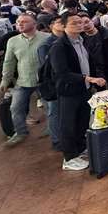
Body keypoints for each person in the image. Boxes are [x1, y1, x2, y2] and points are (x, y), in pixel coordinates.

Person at [49, 13, 106, 171]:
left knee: (82, 120)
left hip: (84, 88)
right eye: (74, 23)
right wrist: (88, 78)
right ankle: (69, 157)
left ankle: (80, 148)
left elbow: (89, 62)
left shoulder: (83, 41)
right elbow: (61, 72)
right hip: (69, 91)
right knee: (68, 124)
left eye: (81, 22)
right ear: (64, 25)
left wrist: (94, 78)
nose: (79, 25)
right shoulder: (59, 46)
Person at [0, 13, 49, 146]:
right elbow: (9, 62)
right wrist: (5, 80)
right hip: (23, 80)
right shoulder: (13, 41)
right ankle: (20, 132)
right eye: (18, 21)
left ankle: (51, 128)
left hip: (44, 80)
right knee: (16, 108)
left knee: (50, 107)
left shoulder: (47, 38)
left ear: (34, 24)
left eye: (24, 21)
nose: (20, 24)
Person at [37, 15, 65, 150]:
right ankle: (57, 140)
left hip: (67, 83)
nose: (63, 25)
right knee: (54, 112)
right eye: (60, 23)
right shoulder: (46, 45)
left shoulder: (68, 40)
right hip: (54, 85)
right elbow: (48, 69)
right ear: (51, 26)